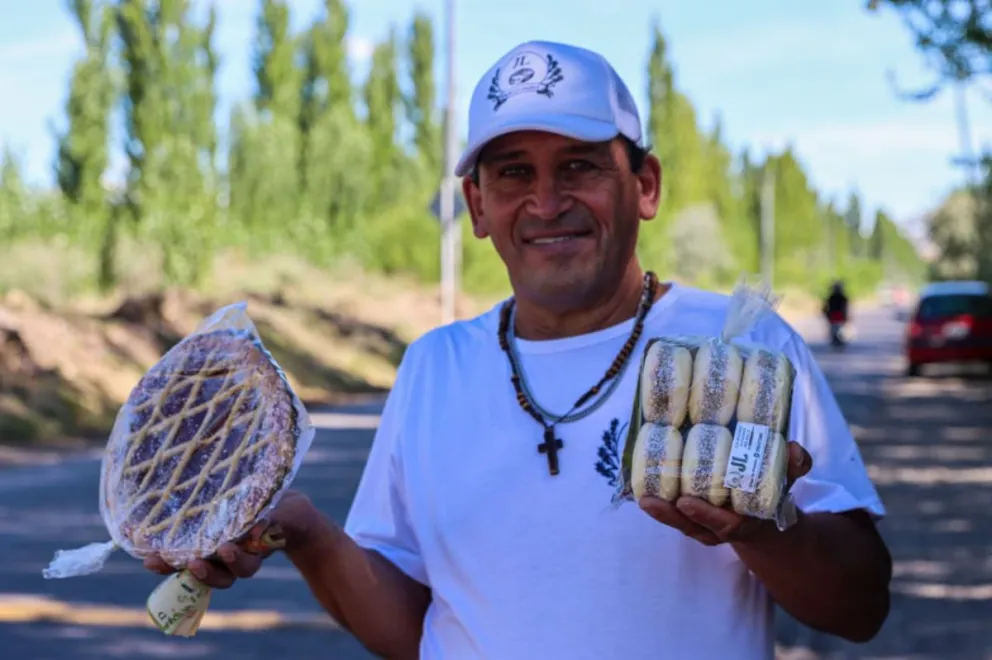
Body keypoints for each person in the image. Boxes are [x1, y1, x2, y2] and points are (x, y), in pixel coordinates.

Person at [143, 40, 892, 658]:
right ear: (476, 205)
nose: (546, 201)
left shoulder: (739, 344)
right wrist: (301, 529)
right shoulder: (434, 368)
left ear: (647, 184)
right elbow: (415, 632)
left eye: (580, 164)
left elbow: (860, 607)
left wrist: (761, 526)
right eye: (512, 173)